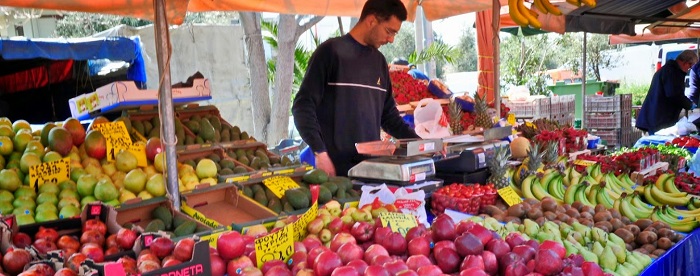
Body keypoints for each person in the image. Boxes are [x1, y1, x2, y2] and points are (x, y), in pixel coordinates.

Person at [291, 0, 419, 177]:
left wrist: (422, 144)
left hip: (370, 171)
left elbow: (389, 117)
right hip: (334, 174)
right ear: (372, 20)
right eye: (389, 31)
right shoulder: (330, 52)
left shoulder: (380, 62)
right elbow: (302, 107)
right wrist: (320, 152)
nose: (391, 40)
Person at [636, 50, 698, 134]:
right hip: (658, 119)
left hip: (658, 118)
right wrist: (689, 104)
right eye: (690, 66)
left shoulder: (670, 69)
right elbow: (674, 94)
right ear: (686, 62)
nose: (689, 69)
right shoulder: (671, 71)